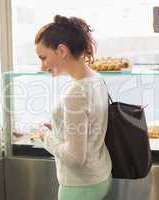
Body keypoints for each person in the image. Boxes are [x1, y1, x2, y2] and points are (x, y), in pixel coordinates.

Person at [35, 15, 112, 200]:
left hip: (80, 187)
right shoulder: (96, 78)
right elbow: (90, 127)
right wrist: (59, 128)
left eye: (43, 57)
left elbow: (75, 159)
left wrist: (46, 137)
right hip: (100, 175)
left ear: (62, 50)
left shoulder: (75, 92)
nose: (42, 66)